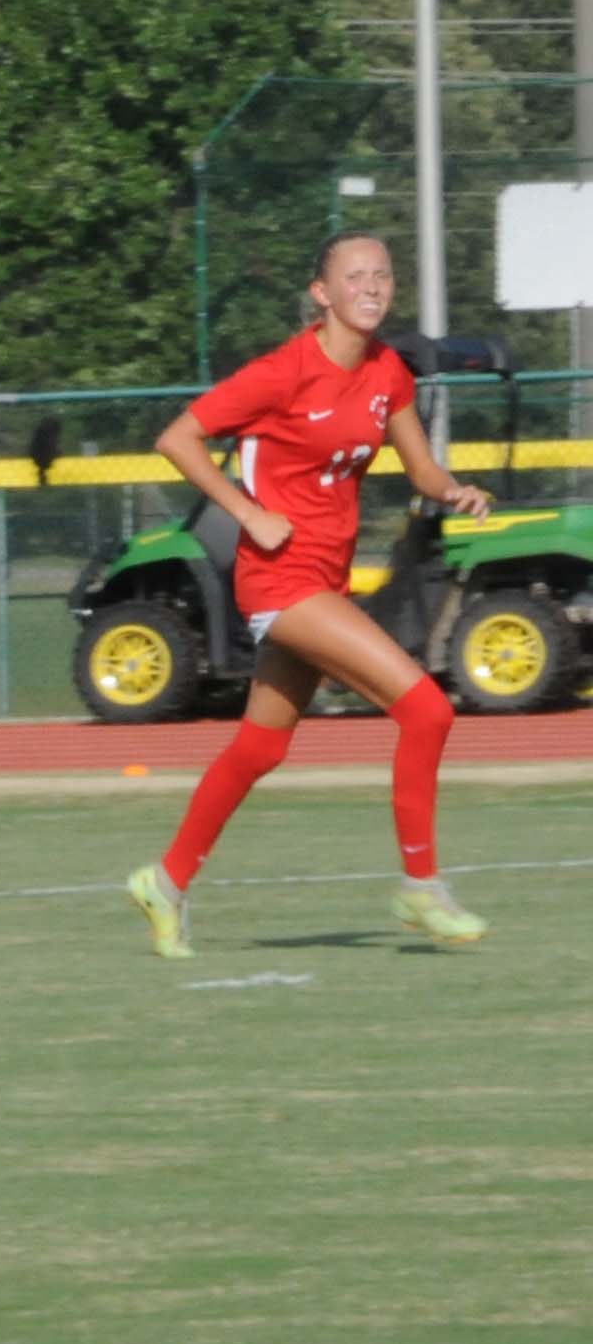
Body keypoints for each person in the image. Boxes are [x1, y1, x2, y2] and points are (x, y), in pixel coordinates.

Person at [120, 233, 490, 960]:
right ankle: (421, 888)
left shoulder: (388, 372)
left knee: (260, 747)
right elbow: (178, 439)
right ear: (322, 293)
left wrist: (453, 490)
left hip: (325, 579)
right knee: (428, 709)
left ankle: (164, 882)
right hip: (278, 580)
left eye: (383, 274)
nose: (373, 286)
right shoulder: (282, 372)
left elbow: (421, 470)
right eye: (355, 276)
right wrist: (247, 511)